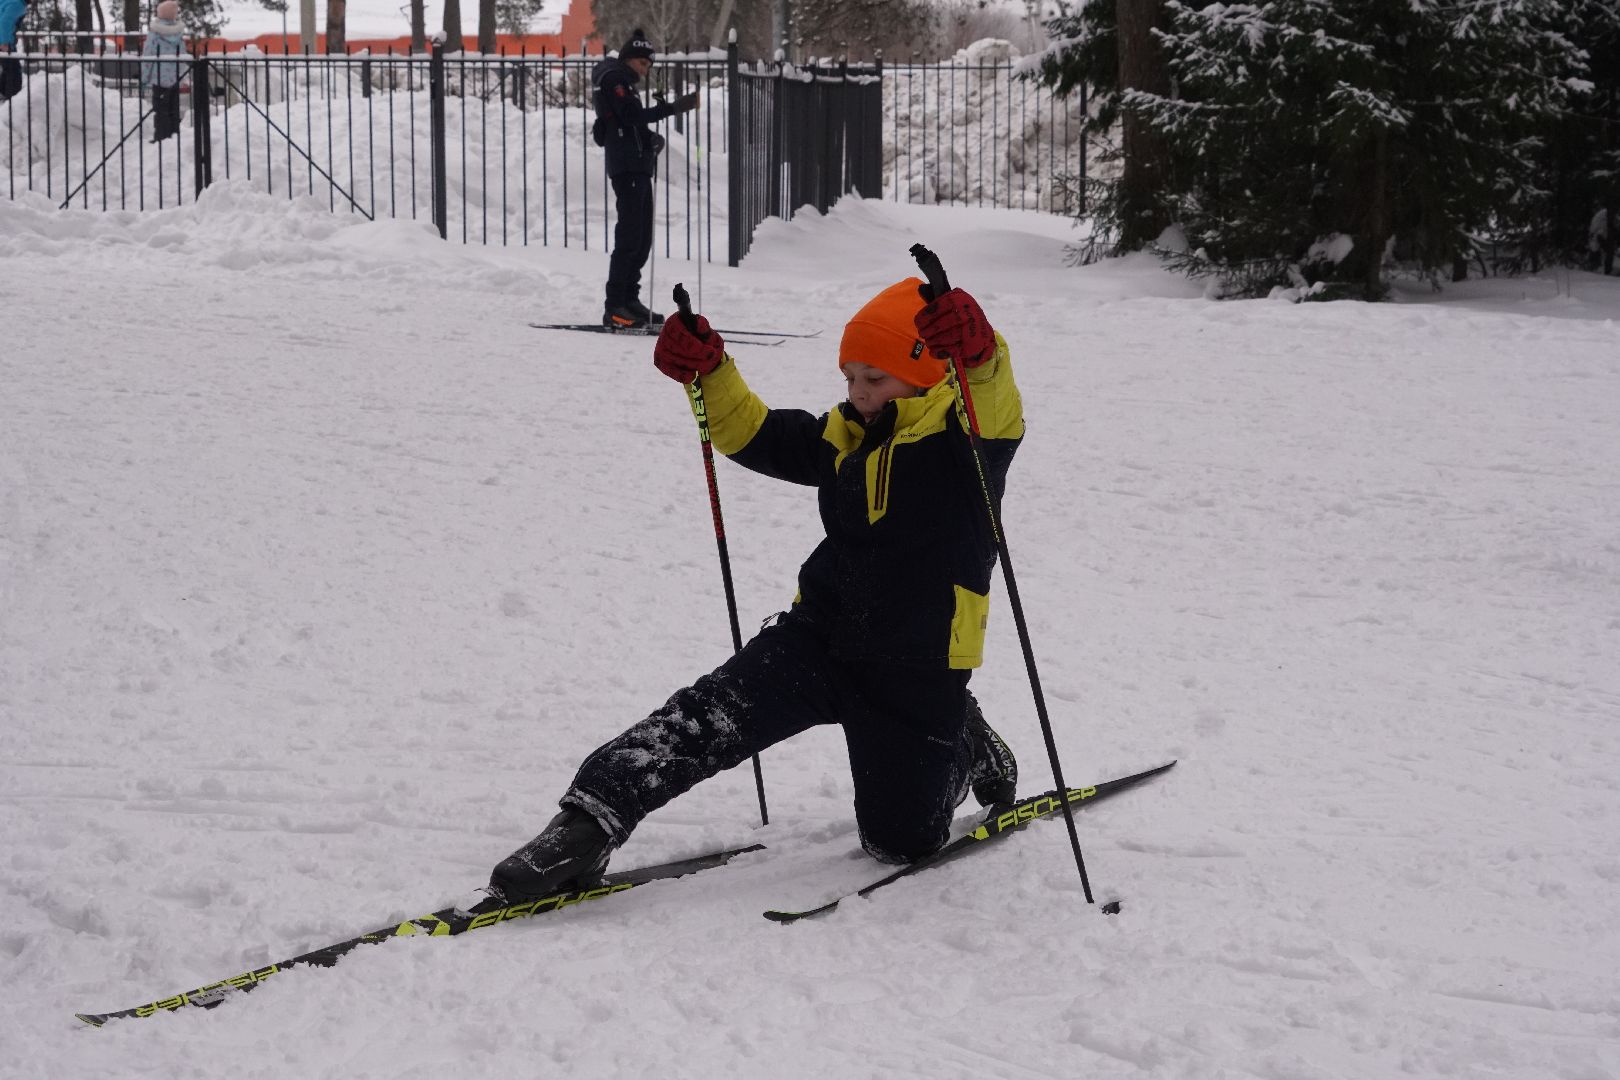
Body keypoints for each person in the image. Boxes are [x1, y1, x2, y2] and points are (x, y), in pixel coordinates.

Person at [487, 277, 1024, 903]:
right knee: (701, 719)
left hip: (918, 661)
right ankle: (588, 822)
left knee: (899, 841)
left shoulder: (970, 440)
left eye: (875, 379)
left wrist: (980, 352)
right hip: (821, 635)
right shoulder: (847, 433)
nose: (858, 393)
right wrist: (712, 374)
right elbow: (758, 435)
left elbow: (991, 390)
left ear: (928, 370)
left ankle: (964, 739)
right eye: (850, 377)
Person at [591, 28, 699, 330]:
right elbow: (629, 116)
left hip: (639, 165)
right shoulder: (614, 78)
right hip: (626, 167)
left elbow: (632, 123)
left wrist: (650, 138)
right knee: (628, 237)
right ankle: (615, 307)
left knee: (641, 239)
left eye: (648, 65)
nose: (645, 70)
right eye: (642, 63)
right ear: (629, 58)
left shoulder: (625, 82)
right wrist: (672, 108)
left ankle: (630, 299)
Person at [139, 0, 186, 143]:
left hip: (159, 78)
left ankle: (161, 137)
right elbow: (183, 56)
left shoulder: (154, 34)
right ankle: (174, 135)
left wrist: (144, 78)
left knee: (160, 110)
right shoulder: (179, 34)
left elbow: (148, 56)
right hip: (174, 79)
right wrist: (181, 75)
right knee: (173, 108)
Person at [0, 0, 27, 102]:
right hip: (4, 42)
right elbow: (4, 22)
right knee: (13, 71)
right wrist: (5, 42)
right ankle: (13, 101)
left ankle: (4, 93)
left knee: (9, 68)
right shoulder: (17, 4)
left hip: (5, 40)